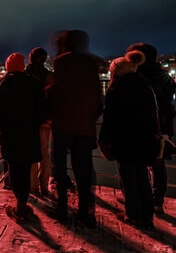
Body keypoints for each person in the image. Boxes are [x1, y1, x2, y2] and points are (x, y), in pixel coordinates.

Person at [46, 30, 103, 228]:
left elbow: (57, 93)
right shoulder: (90, 63)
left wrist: (49, 112)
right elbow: (96, 98)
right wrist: (89, 118)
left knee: (59, 170)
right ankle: (86, 212)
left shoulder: (62, 62)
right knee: (84, 170)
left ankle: (61, 208)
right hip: (85, 127)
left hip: (62, 126)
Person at [99, 50, 159, 230]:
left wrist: (103, 140)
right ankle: (147, 216)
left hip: (124, 141)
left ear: (116, 72)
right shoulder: (145, 86)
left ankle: (133, 216)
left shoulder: (116, 89)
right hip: (144, 140)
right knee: (143, 178)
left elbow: (110, 119)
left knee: (128, 179)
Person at [0, 53, 47, 222]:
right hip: (29, 135)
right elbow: (42, 112)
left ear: (7, 67)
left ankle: (19, 208)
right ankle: (22, 205)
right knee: (26, 170)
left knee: (14, 171)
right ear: (22, 66)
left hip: (9, 135)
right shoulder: (35, 84)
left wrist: (6, 119)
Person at [126, 42, 176, 215]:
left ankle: (138, 200)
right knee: (158, 165)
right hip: (162, 127)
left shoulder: (135, 76)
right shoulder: (165, 77)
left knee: (134, 165)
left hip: (139, 128)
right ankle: (157, 201)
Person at [25, 47, 53, 196]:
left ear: (30, 58)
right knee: (44, 152)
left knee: (31, 153)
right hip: (45, 121)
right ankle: (44, 185)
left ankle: (33, 186)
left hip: (29, 121)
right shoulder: (49, 76)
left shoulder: (26, 75)